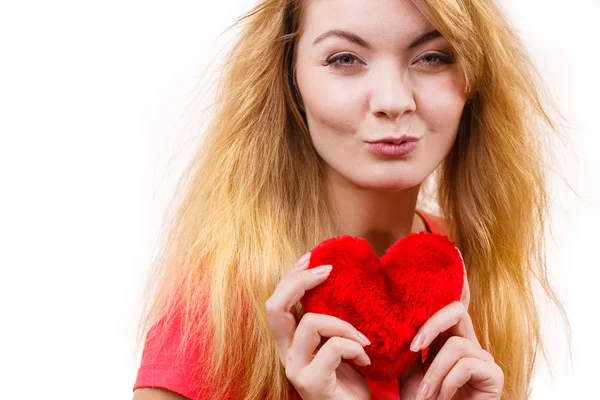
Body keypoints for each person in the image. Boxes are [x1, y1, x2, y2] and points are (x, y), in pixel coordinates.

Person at [132, 0, 571, 399]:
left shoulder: (473, 270)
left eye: (433, 57)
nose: (394, 101)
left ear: (476, 80)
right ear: (291, 79)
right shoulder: (219, 301)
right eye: (345, 59)